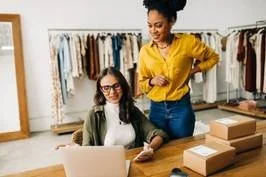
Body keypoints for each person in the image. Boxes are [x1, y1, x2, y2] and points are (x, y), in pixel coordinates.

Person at [138, 0, 219, 139]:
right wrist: (152, 81)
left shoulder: (187, 42)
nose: (153, 31)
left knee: (183, 147)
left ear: (172, 21)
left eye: (158, 25)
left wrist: (195, 69)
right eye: (149, 25)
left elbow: (213, 57)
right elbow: (142, 85)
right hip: (156, 110)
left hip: (181, 108)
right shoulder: (145, 51)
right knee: (160, 151)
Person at [82, 67, 168, 162]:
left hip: (135, 163)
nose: (112, 92)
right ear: (101, 90)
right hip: (106, 166)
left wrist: (150, 148)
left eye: (116, 86)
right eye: (106, 88)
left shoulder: (132, 110)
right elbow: (85, 151)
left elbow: (158, 134)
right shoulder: (94, 115)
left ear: (123, 86)